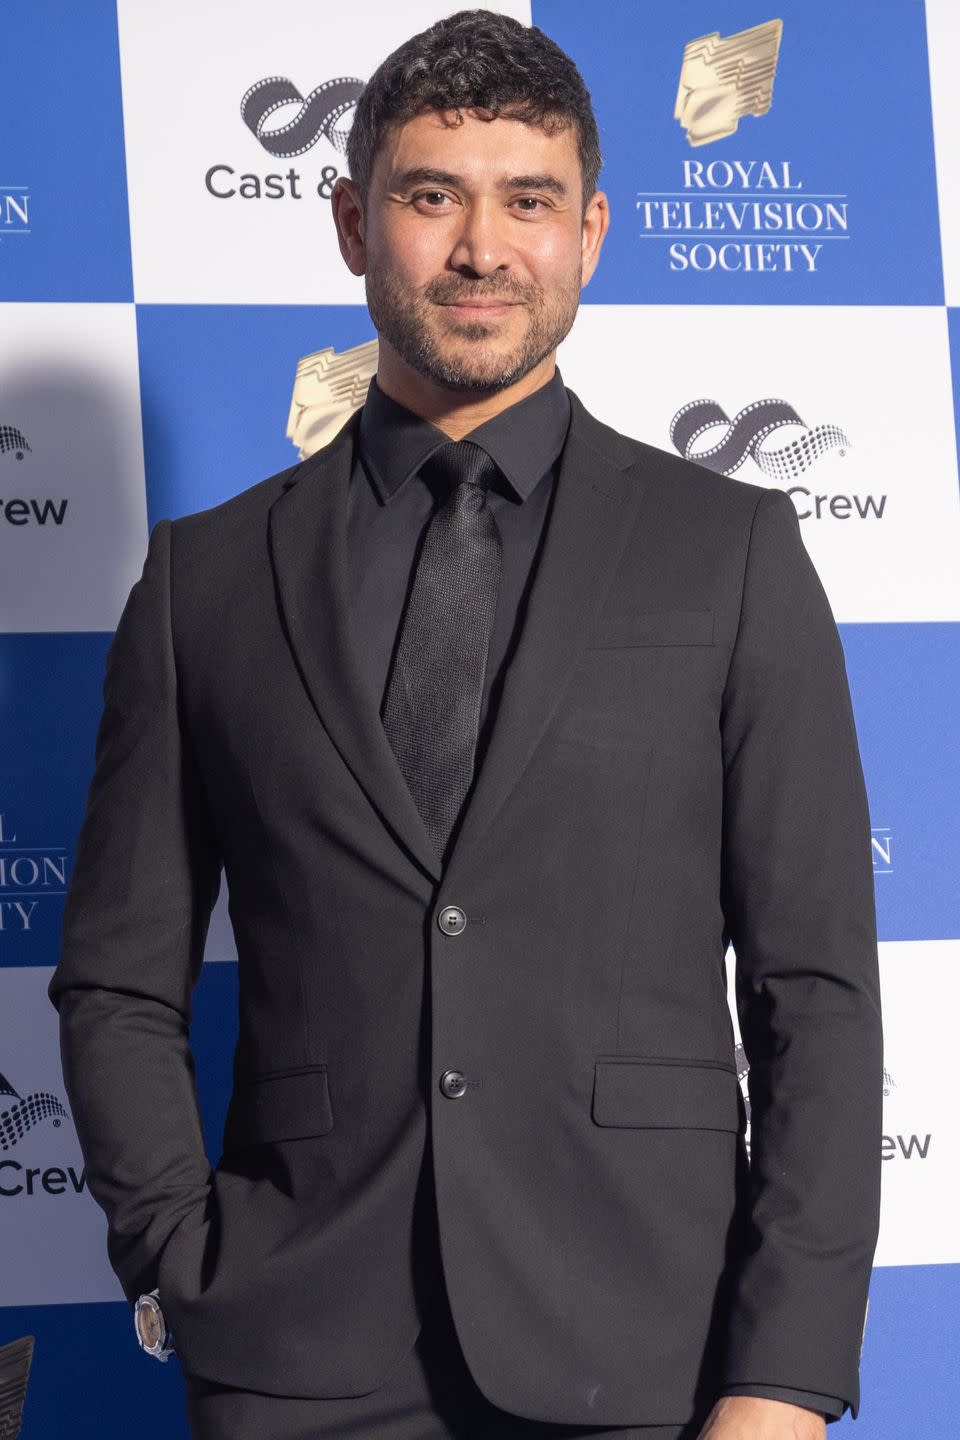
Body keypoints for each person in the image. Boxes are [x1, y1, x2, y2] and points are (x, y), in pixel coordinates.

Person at [48, 10, 883, 1440]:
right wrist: (180, 1262)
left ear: (593, 232)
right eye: (434, 197)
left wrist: (785, 1379)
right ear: (352, 221)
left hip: (653, 1352)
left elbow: (816, 993)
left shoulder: (730, 552)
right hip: (296, 1356)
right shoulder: (208, 578)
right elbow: (120, 981)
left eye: (530, 201)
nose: (483, 249)